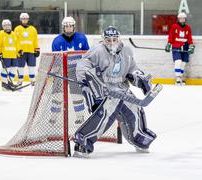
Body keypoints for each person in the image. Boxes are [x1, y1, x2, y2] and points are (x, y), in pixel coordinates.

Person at [73, 26, 157, 158]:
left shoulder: (127, 51)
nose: (111, 42)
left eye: (114, 39)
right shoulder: (97, 50)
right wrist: (87, 81)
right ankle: (82, 141)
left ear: (119, 39)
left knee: (136, 109)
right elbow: (83, 65)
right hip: (105, 91)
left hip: (122, 89)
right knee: (106, 114)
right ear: (103, 40)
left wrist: (139, 78)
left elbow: (132, 68)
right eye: (108, 40)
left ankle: (139, 138)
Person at [50, 16, 90, 124]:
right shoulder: (57, 41)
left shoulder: (82, 38)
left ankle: (80, 116)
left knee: (76, 93)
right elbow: (55, 58)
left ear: (74, 27)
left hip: (75, 71)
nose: (68, 28)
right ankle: (53, 116)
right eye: (66, 26)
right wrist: (55, 72)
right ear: (63, 28)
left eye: (70, 26)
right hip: (61, 71)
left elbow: (87, 55)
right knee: (57, 94)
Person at [165, 12, 195, 85]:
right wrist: (169, 44)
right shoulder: (174, 26)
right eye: (180, 18)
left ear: (185, 19)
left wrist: (191, 46)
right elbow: (171, 36)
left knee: (183, 63)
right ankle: (177, 78)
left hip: (185, 46)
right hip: (176, 46)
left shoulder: (188, 27)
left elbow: (189, 38)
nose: (182, 20)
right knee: (178, 61)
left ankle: (180, 77)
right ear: (178, 19)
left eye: (183, 18)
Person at [0, 19, 22, 91]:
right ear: (3, 26)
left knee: (14, 68)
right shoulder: (0, 34)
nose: (7, 27)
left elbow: (17, 44)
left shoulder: (14, 34)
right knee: (6, 69)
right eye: (5, 25)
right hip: (5, 55)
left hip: (14, 55)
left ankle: (9, 82)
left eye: (8, 25)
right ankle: (4, 84)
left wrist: (19, 50)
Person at [14, 13, 40, 86]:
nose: (24, 20)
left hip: (31, 51)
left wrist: (37, 49)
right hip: (21, 52)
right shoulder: (17, 29)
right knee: (20, 66)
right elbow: (15, 41)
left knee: (32, 66)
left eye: (26, 18)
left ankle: (32, 80)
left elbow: (35, 40)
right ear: (20, 19)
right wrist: (18, 50)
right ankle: (20, 80)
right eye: (23, 18)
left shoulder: (33, 29)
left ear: (28, 19)